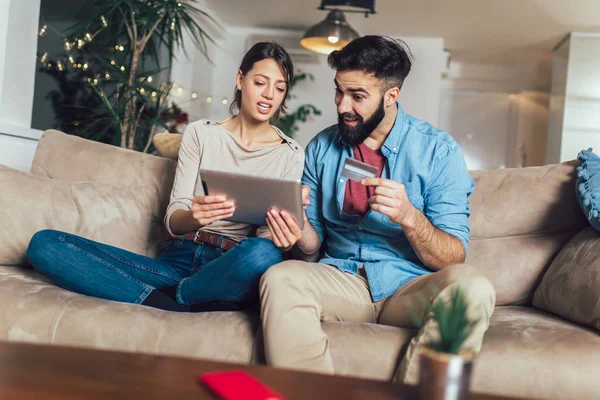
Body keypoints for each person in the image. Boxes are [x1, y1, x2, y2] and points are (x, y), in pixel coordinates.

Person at [258, 36, 496, 383]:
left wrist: (410, 217)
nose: (342, 106)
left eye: (357, 96)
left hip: (408, 287)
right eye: (339, 92)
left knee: (473, 287)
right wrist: (298, 228)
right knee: (279, 277)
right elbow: (310, 247)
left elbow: (452, 258)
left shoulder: (438, 152)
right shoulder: (322, 147)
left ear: (391, 96)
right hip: (342, 279)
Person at [26, 42, 306, 312]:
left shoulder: (290, 153)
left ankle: (172, 297)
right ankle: (174, 303)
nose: (269, 94)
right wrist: (195, 216)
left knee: (264, 254)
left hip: (228, 267)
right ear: (240, 79)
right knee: (45, 244)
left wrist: (282, 238)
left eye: (279, 88)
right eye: (260, 83)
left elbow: (266, 241)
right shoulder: (201, 133)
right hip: (177, 261)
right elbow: (174, 220)